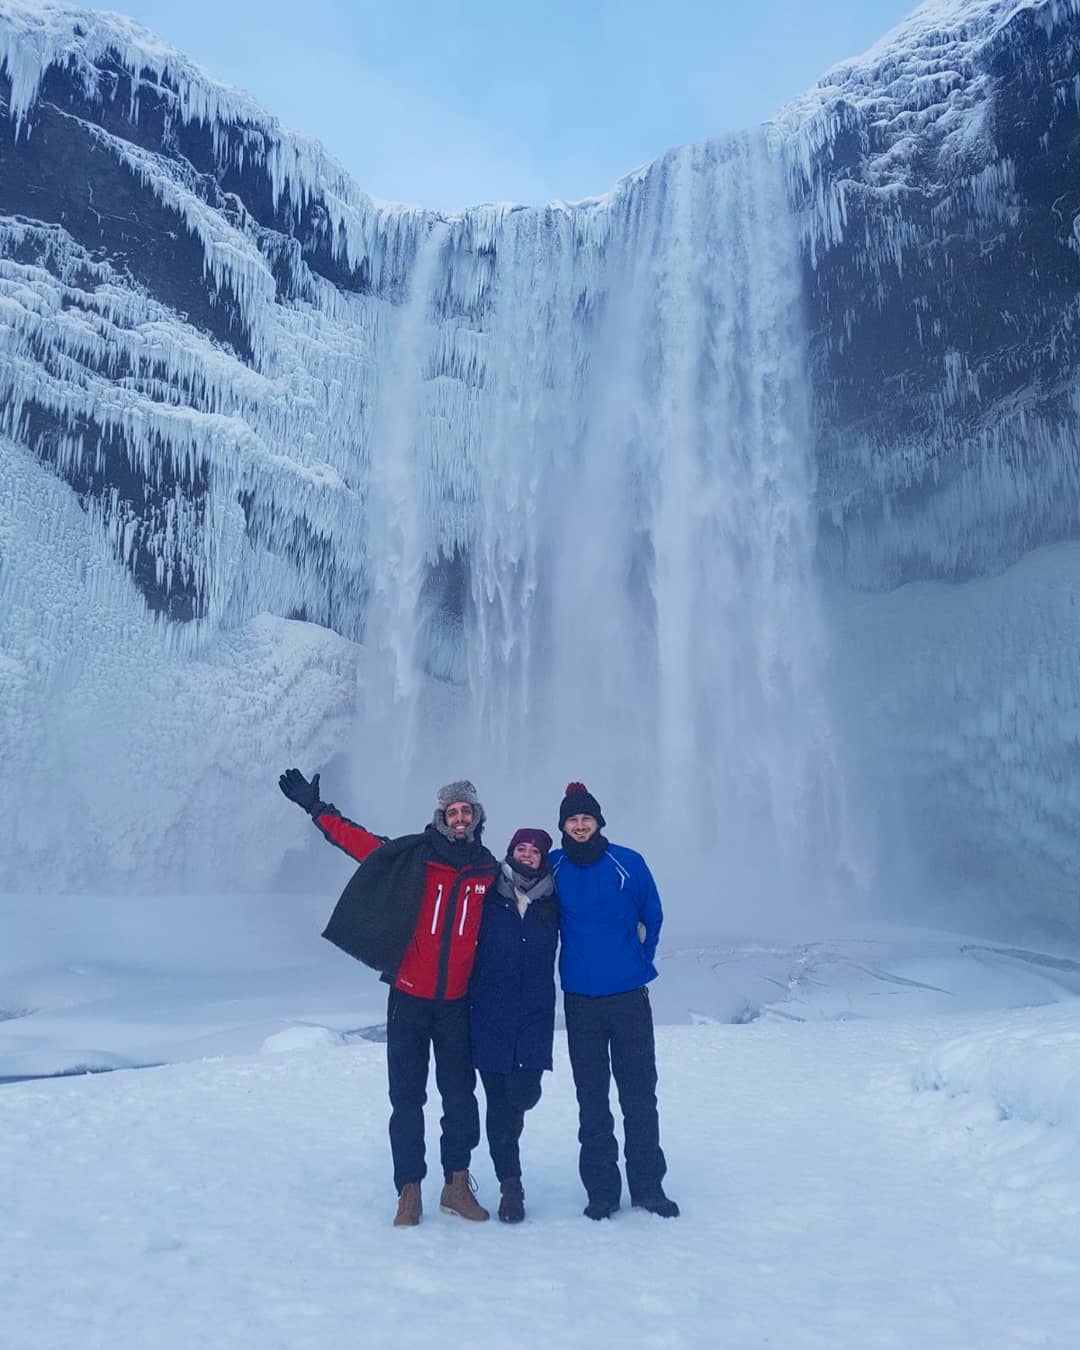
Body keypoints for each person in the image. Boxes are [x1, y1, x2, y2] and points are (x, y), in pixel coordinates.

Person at [278, 768, 498, 1228]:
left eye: (466, 811)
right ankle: (409, 1190)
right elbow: (354, 842)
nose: (459, 818)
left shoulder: (487, 870)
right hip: (409, 999)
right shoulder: (412, 857)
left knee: (460, 1097)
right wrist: (316, 808)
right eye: (452, 811)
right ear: (441, 816)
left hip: (457, 1003)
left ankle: (456, 1185)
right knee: (407, 1098)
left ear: (477, 817)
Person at [550, 781, 679, 1220]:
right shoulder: (555, 868)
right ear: (564, 825)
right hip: (581, 1000)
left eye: (586, 818)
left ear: (598, 822)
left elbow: (652, 915)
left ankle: (648, 1187)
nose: (581, 825)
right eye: (573, 819)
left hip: (628, 996)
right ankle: (602, 1190)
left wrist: (639, 958)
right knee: (592, 1098)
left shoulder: (627, 863)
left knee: (640, 1094)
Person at [469, 827, 559, 1223]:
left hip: (535, 1016)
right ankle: (511, 1184)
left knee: (523, 1096)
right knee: (498, 1105)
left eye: (534, 851)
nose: (527, 855)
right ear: (510, 852)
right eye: (520, 848)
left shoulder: (554, 902)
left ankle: (509, 1158)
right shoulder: (488, 891)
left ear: (544, 859)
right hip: (490, 1014)